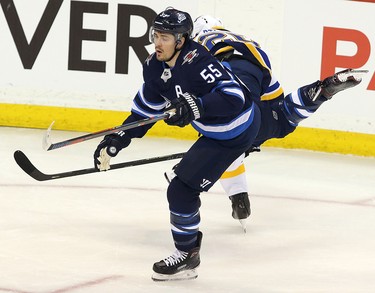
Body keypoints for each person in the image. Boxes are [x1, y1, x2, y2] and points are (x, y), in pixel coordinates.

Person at [93, 8, 262, 281]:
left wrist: (197, 106)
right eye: (155, 35)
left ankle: (187, 255)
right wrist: (118, 138)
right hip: (213, 134)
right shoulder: (154, 66)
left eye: (165, 37)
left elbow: (235, 98)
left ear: (181, 40)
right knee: (180, 189)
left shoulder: (200, 63)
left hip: (236, 131)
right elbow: (145, 111)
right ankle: (188, 252)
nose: (157, 43)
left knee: (181, 191)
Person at [186, 15, 365, 230]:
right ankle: (318, 92)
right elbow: (273, 94)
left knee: (224, 142)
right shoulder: (244, 40)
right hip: (261, 88)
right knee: (283, 118)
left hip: (234, 83)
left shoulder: (197, 45)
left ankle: (236, 194)